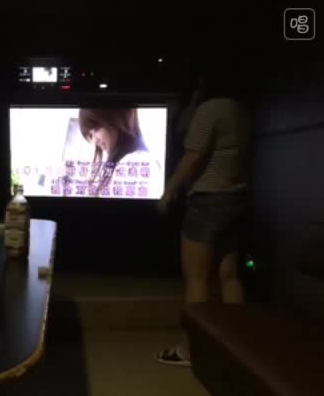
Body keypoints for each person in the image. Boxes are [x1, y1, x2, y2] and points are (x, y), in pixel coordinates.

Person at [156, 72, 251, 366]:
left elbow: (193, 156)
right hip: (236, 200)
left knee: (197, 280)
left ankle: (192, 350)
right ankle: (238, 346)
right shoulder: (239, 109)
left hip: (207, 202)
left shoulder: (210, 109)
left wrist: (169, 190)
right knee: (229, 276)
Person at [77, 108, 163, 198]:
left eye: (96, 129)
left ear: (116, 120)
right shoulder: (131, 161)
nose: (95, 141)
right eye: (90, 135)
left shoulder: (134, 162)